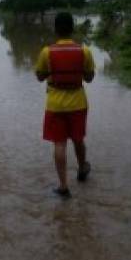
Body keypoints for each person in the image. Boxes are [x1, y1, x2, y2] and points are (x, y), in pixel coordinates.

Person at [35, 12, 95, 198]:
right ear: (72, 28)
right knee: (78, 139)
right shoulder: (84, 51)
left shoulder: (47, 52)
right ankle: (83, 168)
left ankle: (63, 186)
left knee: (59, 144)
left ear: (55, 29)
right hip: (78, 103)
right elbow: (90, 78)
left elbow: (39, 76)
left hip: (55, 105)